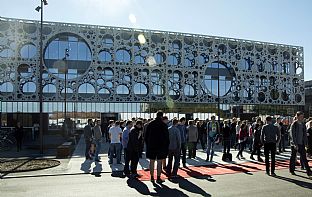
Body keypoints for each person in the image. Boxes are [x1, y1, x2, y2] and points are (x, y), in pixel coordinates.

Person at [145, 111, 169, 183]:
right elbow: (166, 137)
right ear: (162, 116)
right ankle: (158, 177)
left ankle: (152, 177)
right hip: (161, 146)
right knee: (159, 162)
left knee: (151, 161)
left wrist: (148, 144)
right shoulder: (163, 125)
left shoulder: (150, 124)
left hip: (151, 146)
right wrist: (166, 146)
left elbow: (146, 136)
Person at [289, 111, 312, 177]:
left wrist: (306, 143)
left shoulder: (303, 124)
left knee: (304, 157)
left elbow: (304, 134)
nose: (302, 118)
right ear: (298, 116)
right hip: (295, 143)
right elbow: (292, 135)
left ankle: (308, 171)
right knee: (293, 157)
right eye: (301, 116)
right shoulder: (294, 124)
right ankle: (291, 169)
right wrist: (295, 144)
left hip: (301, 143)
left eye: (303, 116)